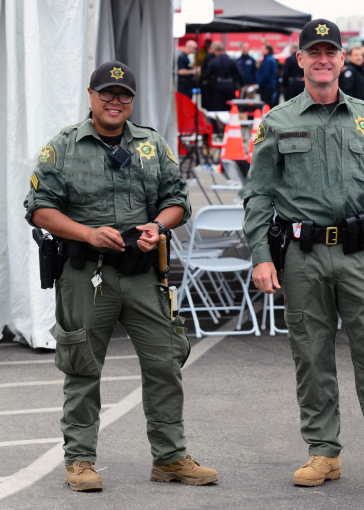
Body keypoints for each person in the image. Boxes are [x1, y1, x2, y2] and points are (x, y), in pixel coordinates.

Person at [243, 18, 364, 491]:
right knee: (311, 356)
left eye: (332, 51)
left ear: (343, 59)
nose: (323, 59)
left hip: (359, 255)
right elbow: (258, 196)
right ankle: (323, 452)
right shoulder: (277, 122)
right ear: (301, 59)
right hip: (302, 257)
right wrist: (261, 256)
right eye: (315, 52)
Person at [24, 61, 218, 492]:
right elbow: (38, 208)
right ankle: (79, 460)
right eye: (107, 94)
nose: (115, 101)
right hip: (84, 275)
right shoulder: (64, 147)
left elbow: (177, 200)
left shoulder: (152, 145)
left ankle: (169, 458)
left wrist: (159, 227)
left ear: (132, 100)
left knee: (165, 363)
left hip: (142, 274)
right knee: (82, 367)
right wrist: (87, 233)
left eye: (123, 95)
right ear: (90, 95)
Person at [203, 41, 244, 111]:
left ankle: (219, 121)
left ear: (217, 51)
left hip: (218, 86)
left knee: (218, 106)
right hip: (230, 86)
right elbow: (240, 74)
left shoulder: (213, 61)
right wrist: (241, 85)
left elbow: (207, 75)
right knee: (230, 105)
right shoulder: (231, 61)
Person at [257, 43, 278, 108]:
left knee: (266, 105)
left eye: (263, 49)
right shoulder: (269, 59)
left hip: (267, 86)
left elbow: (265, 74)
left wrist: (258, 84)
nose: (261, 51)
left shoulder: (268, 60)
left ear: (267, 50)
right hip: (269, 85)